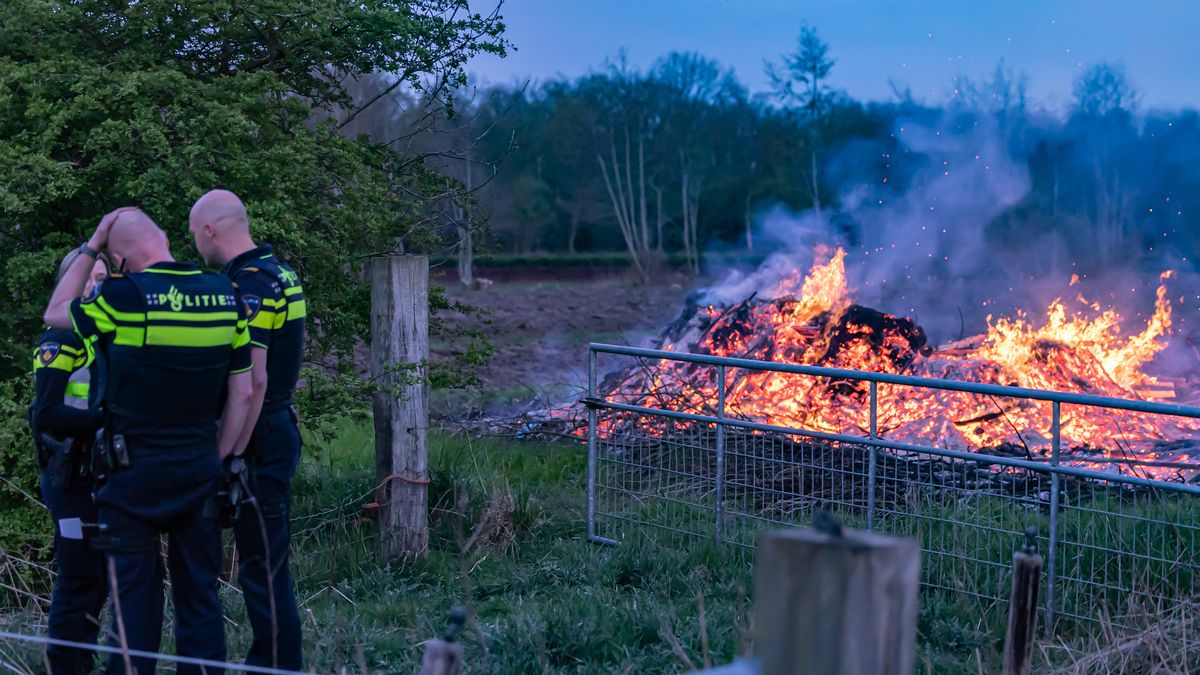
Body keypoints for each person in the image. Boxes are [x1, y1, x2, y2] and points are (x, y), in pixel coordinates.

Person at [44, 207, 256, 675]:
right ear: (163, 237)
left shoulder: (123, 296)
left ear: (117, 259)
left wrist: (91, 244)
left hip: (131, 476)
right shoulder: (225, 293)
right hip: (199, 469)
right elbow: (244, 389)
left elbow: (55, 313)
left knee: (135, 602)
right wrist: (218, 454)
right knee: (199, 599)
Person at [189, 189, 306, 670]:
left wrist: (226, 455)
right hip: (275, 426)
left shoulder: (250, 283)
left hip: (255, 437)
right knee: (267, 564)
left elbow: (251, 383)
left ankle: (276, 665)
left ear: (211, 229)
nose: (195, 243)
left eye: (195, 233)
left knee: (261, 568)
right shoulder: (281, 271)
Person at [30, 250, 110, 675]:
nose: (96, 285)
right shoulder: (60, 340)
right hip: (69, 476)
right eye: (89, 278)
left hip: (96, 475)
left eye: (103, 277)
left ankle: (81, 661)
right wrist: (107, 422)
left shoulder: (103, 337)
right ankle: (64, 665)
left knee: (97, 580)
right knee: (80, 578)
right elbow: (46, 414)